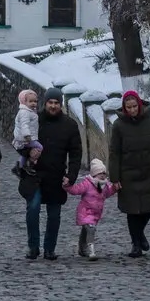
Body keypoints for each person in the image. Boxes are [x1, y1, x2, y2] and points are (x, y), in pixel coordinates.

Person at [107, 90, 150, 258]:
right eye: (128, 107)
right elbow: (114, 152)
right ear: (124, 107)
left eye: (134, 106)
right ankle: (136, 244)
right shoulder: (118, 125)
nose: (132, 110)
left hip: (149, 170)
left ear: (139, 104)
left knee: (148, 207)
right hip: (127, 172)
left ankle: (140, 233)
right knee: (132, 210)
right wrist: (114, 177)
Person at [28, 90, 84, 261]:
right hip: (34, 175)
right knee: (33, 209)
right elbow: (19, 141)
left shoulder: (70, 125)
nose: (53, 106)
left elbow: (76, 153)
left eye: (56, 103)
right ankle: (33, 247)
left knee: (54, 214)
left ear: (61, 104)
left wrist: (71, 175)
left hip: (56, 174)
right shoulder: (34, 121)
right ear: (45, 103)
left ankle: (49, 248)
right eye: (50, 102)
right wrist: (28, 154)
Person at [68, 159, 117, 260]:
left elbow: (107, 194)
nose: (103, 175)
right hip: (85, 212)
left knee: (86, 231)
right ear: (94, 174)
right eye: (100, 173)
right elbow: (76, 190)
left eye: (104, 173)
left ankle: (82, 248)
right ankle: (91, 251)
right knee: (91, 230)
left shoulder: (105, 185)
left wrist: (114, 189)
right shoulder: (87, 184)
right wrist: (67, 186)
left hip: (95, 214)